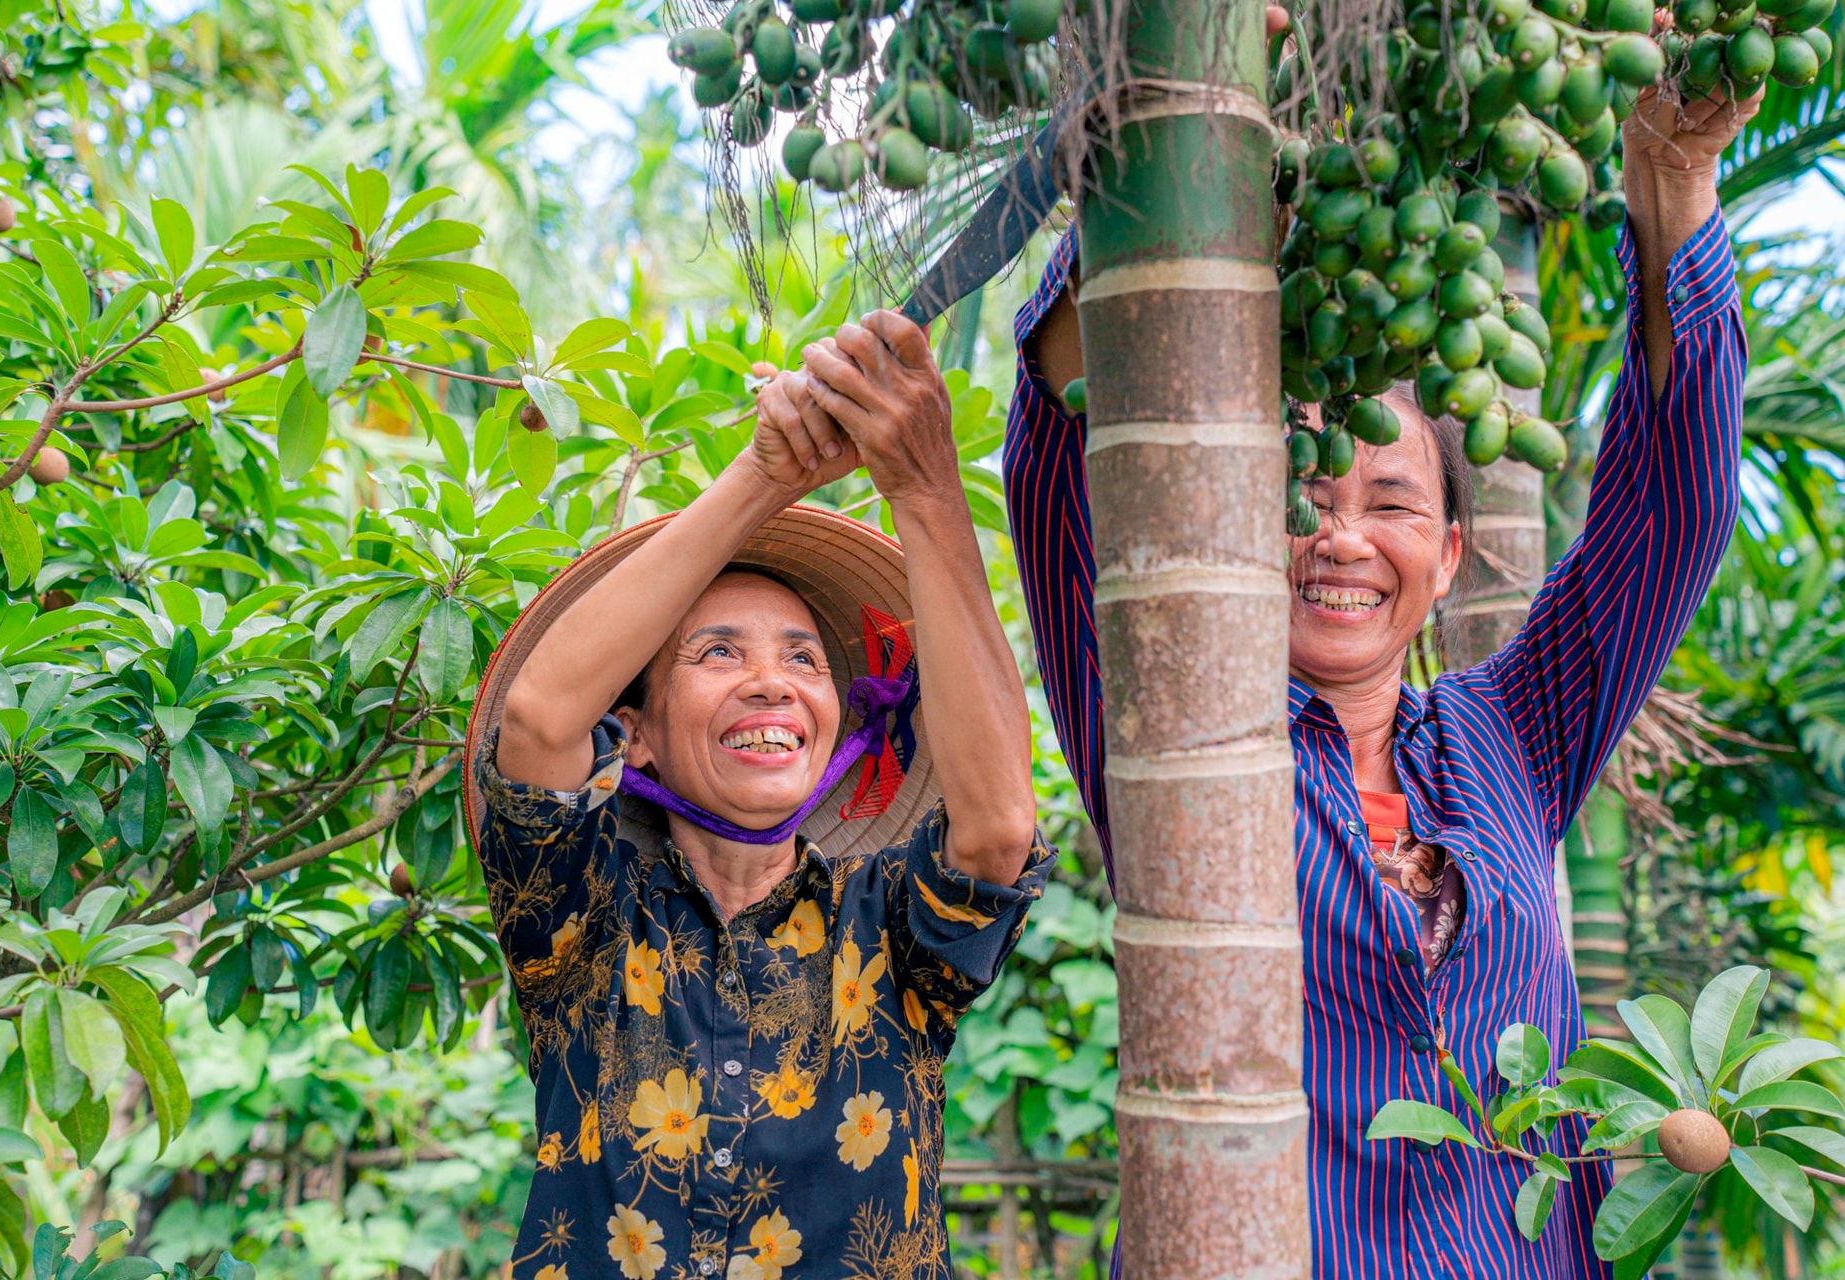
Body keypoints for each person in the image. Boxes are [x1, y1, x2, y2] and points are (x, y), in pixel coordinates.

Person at [979, 80, 1754, 1275]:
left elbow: (1672, 517)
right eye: (1309, 492)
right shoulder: (1167, 718)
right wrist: (1164, 155)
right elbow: (1056, 462)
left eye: (1391, 503)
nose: (1344, 535)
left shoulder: (1516, 732)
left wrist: (1671, 183)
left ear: (1447, 557)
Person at [467, 324, 1053, 1279]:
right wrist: (767, 474)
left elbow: (996, 832)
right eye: (719, 653)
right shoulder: (583, 917)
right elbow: (535, 720)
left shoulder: (885, 928)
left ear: (834, 723)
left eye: (804, 660)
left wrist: (924, 485)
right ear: (638, 732)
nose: (773, 683)